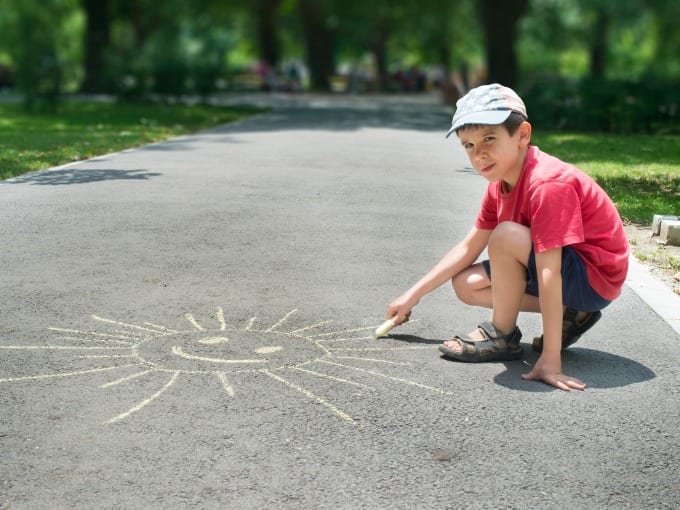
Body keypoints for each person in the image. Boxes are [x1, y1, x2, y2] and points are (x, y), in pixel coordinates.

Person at [385, 83, 629, 391]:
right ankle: (572, 314)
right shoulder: (499, 185)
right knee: (466, 285)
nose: (479, 154)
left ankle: (502, 334)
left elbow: (549, 271)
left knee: (505, 236)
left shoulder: (547, 184)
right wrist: (413, 295)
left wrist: (552, 359)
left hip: (594, 277)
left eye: (489, 138)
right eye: (469, 145)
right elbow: (469, 246)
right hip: (568, 272)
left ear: (522, 135)